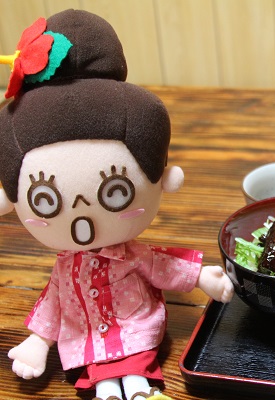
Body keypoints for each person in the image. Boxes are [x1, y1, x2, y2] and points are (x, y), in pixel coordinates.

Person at [0, 9, 233, 400]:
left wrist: (200, 277)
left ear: (162, 179)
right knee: (104, 381)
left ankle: (137, 386)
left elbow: (161, 265)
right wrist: (37, 342)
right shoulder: (66, 269)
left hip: (137, 328)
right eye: (45, 200)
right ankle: (108, 389)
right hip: (86, 337)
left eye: (116, 191)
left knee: (135, 372)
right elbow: (53, 303)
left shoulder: (130, 255)